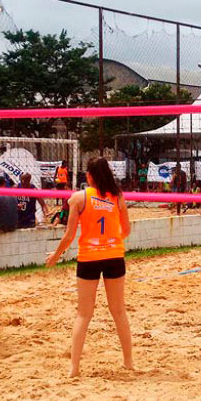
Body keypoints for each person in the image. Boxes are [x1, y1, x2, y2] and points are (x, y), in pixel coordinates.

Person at [46, 157, 133, 377]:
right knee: (119, 311)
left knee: (83, 314)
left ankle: (74, 368)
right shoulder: (117, 197)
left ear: (90, 176)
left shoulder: (78, 198)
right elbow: (127, 230)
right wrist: (111, 242)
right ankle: (129, 362)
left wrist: (56, 255)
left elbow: (69, 236)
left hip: (89, 258)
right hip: (114, 256)